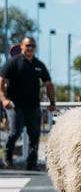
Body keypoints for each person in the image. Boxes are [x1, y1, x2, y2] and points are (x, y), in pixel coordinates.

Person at [0, 37, 56, 170]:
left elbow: (48, 84)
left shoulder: (38, 65)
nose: (30, 48)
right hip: (15, 105)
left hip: (33, 106)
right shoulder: (14, 62)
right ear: (22, 46)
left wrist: (52, 102)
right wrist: (4, 99)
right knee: (15, 132)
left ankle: (32, 163)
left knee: (35, 134)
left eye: (32, 46)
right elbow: (1, 80)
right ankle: (7, 158)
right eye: (27, 46)